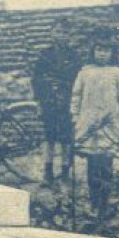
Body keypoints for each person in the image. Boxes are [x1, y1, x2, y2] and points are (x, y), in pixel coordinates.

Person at [70, 38, 119, 218]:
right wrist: (75, 116)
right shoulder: (85, 73)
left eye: (106, 50)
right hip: (89, 125)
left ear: (112, 53)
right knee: (92, 164)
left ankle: (105, 203)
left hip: (110, 125)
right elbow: (76, 95)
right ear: (93, 51)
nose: (102, 53)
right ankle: (94, 201)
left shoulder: (118, 73)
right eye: (99, 49)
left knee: (106, 164)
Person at [30, 38, 82, 184]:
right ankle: (48, 171)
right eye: (58, 32)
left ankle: (65, 171)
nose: (61, 35)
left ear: (69, 35)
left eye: (65, 33)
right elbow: (36, 79)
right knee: (50, 137)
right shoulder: (45, 54)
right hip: (49, 100)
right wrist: (40, 100)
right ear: (53, 33)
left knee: (66, 138)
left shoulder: (74, 56)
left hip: (67, 100)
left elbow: (78, 79)